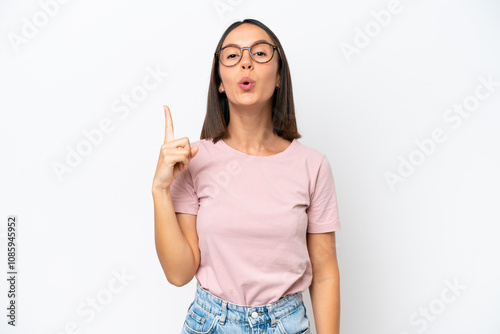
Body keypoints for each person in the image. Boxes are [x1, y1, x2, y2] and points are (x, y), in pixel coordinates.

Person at [152, 18, 341, 334]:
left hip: (287, 324)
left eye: (259, 53)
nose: (246, 63)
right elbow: (179, 273)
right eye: (232, 56)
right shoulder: (193, 161)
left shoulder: (313, 165)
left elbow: (324, 274)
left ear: (279, 76)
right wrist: (160, 189)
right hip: (211, 323)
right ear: (221, 82)